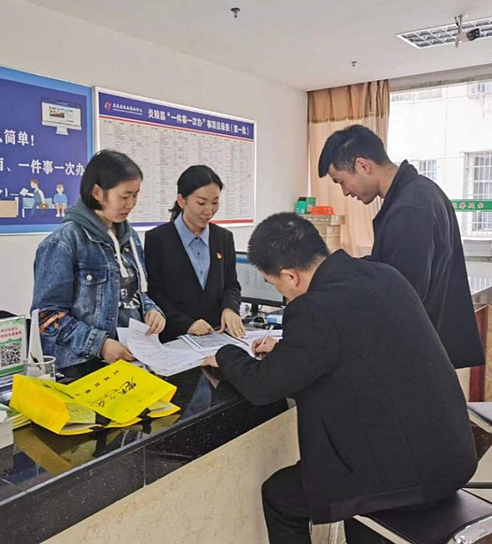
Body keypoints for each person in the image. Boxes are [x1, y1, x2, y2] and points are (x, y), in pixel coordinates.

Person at [203, 213, 477, 544]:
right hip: (453, 455)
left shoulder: (314, 309)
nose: (283, 296)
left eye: (276, 286)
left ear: (290, 276)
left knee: (280, 497)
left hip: (407, 476)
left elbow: (262, 387)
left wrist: (225, 354)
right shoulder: (383, 274)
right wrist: (290, 350)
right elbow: (354, 342)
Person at [317, 125, 483, 369]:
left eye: (341, 181)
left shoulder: (409, 209)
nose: (345, 192)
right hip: (428, 345)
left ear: (363, 165)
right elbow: (390, 265)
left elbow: (402, 293)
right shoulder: (421, 191)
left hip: (416, 351)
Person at [31, 149, 166, 368]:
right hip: (85, 365)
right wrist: (100, 345)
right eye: (124, 196)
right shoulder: (64, 242)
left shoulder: (130, 237)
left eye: (135, 195)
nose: (131, 204)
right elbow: (47, 318)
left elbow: (137, 292)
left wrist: (152, 311)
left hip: (133, 357)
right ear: (97, 192)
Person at [145, 165, 243, 342]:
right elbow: (154, 293)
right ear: (182, 201)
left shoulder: (223, 238)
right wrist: (186, 324)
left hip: (216, 336)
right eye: (201, 203)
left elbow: (231, 285)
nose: (209, 211)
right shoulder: (157, 239)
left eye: (215, 202)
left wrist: (230, 308)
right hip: (174, 338)